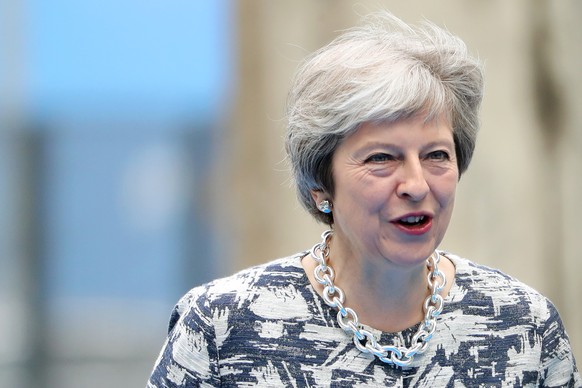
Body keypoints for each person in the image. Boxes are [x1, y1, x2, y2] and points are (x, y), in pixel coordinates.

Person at [147, 11, 580, 387]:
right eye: (381, 159)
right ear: (321, 184)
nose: (416, 184)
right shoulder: (223, 327)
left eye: (436, 156)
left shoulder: (523, 326)